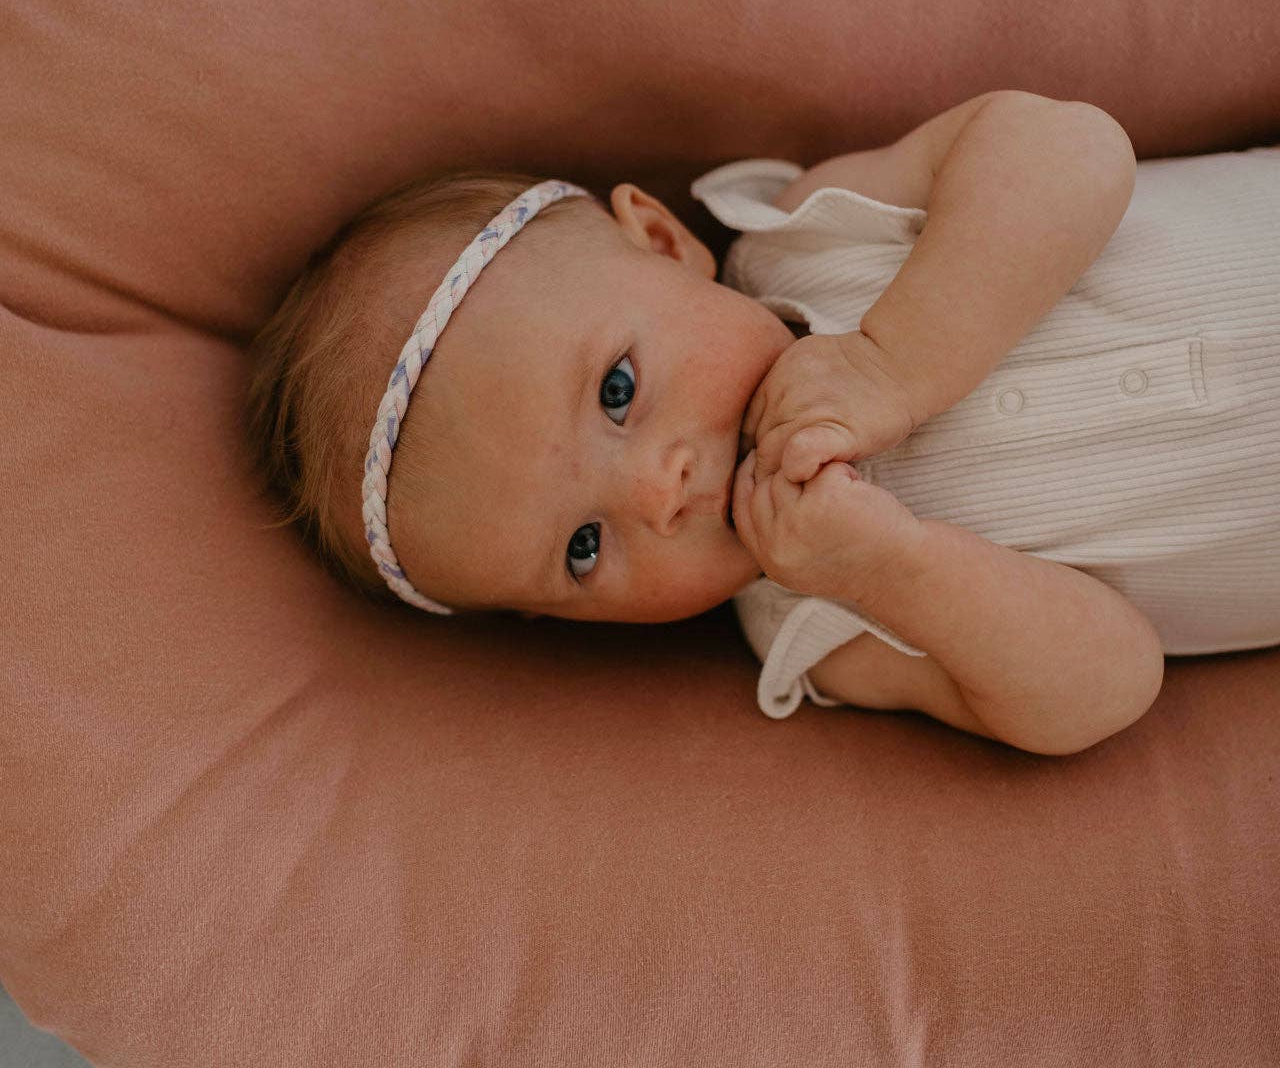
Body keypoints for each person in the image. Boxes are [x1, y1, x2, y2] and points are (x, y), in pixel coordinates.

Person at [244, 89, 1280, 755]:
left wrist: (895, 363)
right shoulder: (816, 626)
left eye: (615, 391)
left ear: (658, 239)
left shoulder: (814, 235)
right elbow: (1106, 687)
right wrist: (894, 566)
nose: (658, 492)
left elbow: (1073, 148)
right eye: (582, 545)